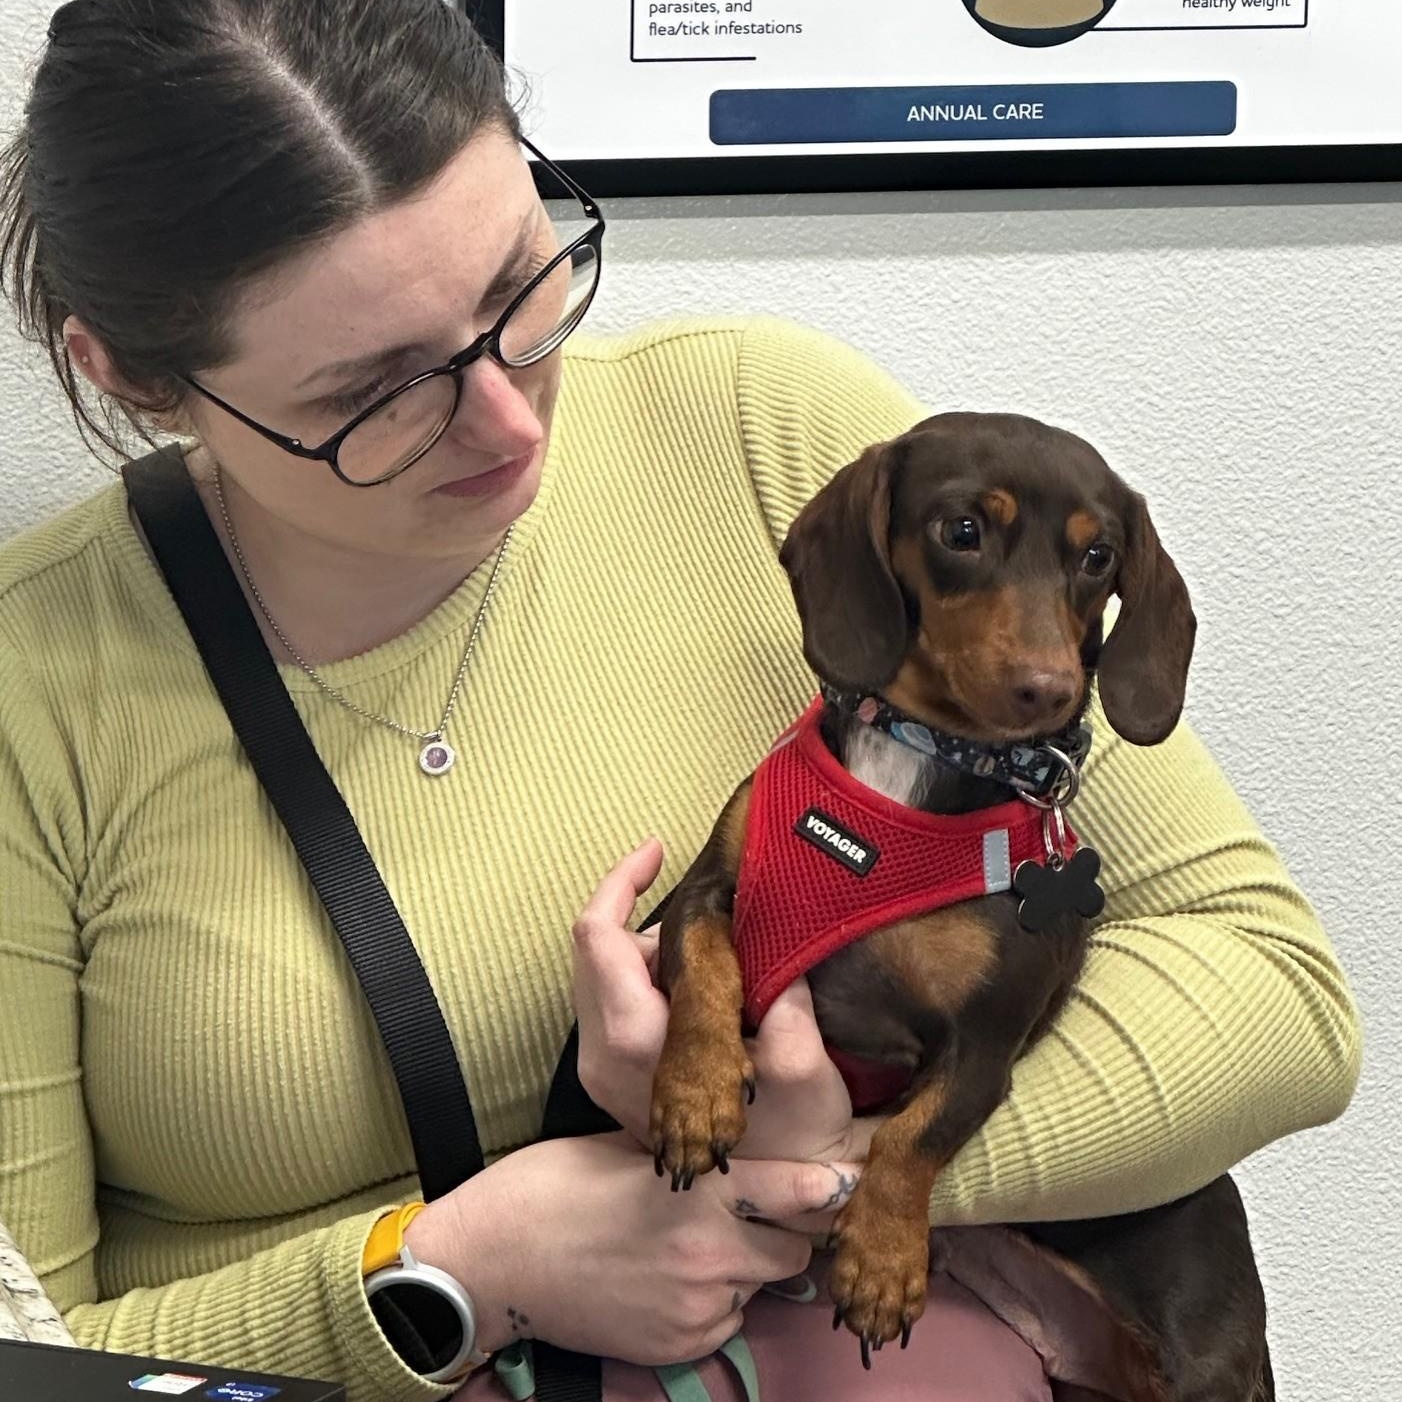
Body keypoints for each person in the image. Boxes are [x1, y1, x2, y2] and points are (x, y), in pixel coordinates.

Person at [0, 2, 1361, 1400]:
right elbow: (26, 1352)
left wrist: (822, 1172)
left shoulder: (770, 433)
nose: (513, 421)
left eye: (522, 288)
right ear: (143, 378)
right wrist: (460, 1260)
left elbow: (1270, 991)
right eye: (376, 394)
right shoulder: (32, 687)